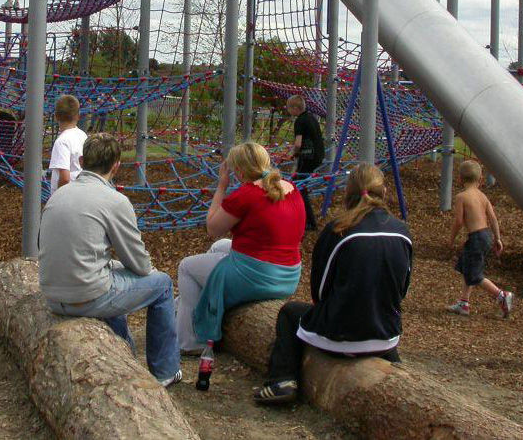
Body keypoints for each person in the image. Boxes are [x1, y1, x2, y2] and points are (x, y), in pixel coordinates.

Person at [254, 163, 412, 404]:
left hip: (339, 333)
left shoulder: (338, 230)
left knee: (288, 313)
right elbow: (401, 290)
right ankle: (393, 363)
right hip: (386, 334)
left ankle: (282, 380)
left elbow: (319, 290)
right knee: (379, 315)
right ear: (385, 193)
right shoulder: (402, 232)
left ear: (347, 194)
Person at [38, 133, 182, 387]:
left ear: (81, 161)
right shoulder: (115, 200)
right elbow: (138, 262)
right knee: (162, 284)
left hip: (52, 294)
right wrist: (148, 270)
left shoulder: (58, 195)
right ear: (116, 165)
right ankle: (165, 371)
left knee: (113, 274)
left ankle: (123, 353)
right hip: (85, 296)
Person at [176, 141, 305, 352]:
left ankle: (190, 341)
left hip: (259, 277)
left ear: (238, 171)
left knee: (186, 267)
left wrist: (221, 187)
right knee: (220, 246)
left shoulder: (246, 194)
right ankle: (199, 306)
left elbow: (212, 227)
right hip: (289, 275)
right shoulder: (292, 189)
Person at [447, 160, 514, 318]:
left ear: (459, 179)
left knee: (474, 275)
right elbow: (493, 218)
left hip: (476, 238)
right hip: (485, 236)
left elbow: (458, 221)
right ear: (481, 179)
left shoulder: (461, 197)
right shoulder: (483, 196)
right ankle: (464, 302)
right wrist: (497, 238)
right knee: (466, 266)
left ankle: (502, 295)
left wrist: (451, 239)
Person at [286, 95, 324, 231]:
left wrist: (292, 154)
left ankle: (309, 222)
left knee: (298, 186)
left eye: (289, 108)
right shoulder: (311, 117)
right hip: (317, 156)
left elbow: (298, 144)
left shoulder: (300, 121)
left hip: (308, 157)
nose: (288, 110)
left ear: (296, 108)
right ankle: (305, 219)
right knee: (300, 185)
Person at [48, 94, 87, 198]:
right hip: (82, 192)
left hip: (66, 196)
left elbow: (65, 177)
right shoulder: (83, 135)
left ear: (56, 116)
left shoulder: (62, 142)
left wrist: (59, 198)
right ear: (78, 116)